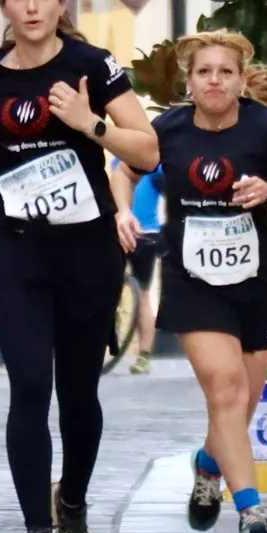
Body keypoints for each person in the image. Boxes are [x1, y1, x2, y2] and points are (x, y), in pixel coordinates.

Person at [0, 0, 158, 533]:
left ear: (61, 3)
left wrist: (88, 122)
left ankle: (71, 502)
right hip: (14, 246)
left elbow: (147, 149)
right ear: (6, 7)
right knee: (29, 387)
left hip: (86, 246)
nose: (33, 7)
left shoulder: (90, 65)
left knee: (77, 394)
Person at [112, 30, 267, 533]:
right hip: (193, 280)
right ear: (190, 81)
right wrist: (122, 210)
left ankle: (208, 466)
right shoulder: (169, 128)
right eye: (204, 72)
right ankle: (251, 512)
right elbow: (125, 169)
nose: (214, 80)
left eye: (224, 72)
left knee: (243, 405)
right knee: (225, 391)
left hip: (256, 279)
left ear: (241, 80)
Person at [123, 160, 165, 374]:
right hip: (120, 232)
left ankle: (144, 354)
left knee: (144, 293)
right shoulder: (117, 160)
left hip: (145, 234)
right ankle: (143, 356)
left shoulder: (151, 160)